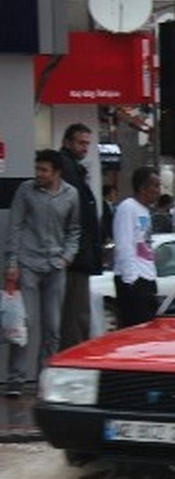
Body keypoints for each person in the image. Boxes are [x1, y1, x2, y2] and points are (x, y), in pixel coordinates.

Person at [5, 149, 81, 397]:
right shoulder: (26, 191)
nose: (38, 174)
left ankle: (45, 378)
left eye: (44, 170)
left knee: (52, 327)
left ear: (56, 172)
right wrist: (12, 264)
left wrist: (66, 257)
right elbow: (15, 227)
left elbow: (74, 229)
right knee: (24, 323)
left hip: (55, 266)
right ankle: (16, 379)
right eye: (37, 169)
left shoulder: (71, 195)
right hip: (28, 262)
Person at [58, 123, 103, 350]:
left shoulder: (72, 168)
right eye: (80, 142)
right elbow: (74, 217)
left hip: (77, 253)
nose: (85, 148)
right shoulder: (67, 169)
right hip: (76, 256)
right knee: (75, 315)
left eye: (87, 143)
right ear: (67, 142)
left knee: (77, 314)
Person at [112, 165, 162, 327]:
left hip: (147, 277)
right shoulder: (128, 208)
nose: (158, 190)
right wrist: (131, 280)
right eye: (154, 185)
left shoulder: (145, 211)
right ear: (142, 187)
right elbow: (124, 243)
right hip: (134, 280)